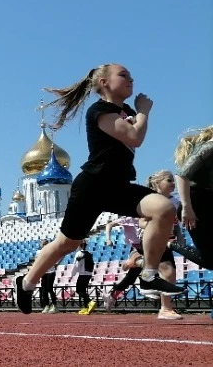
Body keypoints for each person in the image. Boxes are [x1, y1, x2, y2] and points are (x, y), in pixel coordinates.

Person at [15, 63, 183, 314]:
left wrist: (137, 113)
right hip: (92, 186)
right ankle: (26, 283)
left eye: (132, 76)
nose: (131, 79)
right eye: (123, 75)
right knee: (67, 244)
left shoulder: (125, 109)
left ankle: (148, 274)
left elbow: (134, 134)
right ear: (104, 83)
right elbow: (135, 137)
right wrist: (144, 112)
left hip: (118, 186)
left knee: (164, 208)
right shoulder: (100, 111)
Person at [103, 170, 182, 319]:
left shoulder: (175, 202)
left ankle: (138, 267)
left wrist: (179, 235)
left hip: (165, 240)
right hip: (149, 241)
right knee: (167, 271)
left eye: (173, 180)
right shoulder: (149, 201)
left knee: (162, 273)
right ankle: (163, 306)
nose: (173, 183)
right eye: (169, 180)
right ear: (157, 183)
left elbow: (175, 222)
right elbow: (140, 221)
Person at [172, 125, 213, 268]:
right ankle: (171, 243)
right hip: (197, 203)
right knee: (210, 260)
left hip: (209, 201)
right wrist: (187, 207)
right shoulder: (210, 146)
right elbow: (182, 175)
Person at [36, 239, 58, 314]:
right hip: (44, 272)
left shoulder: (51, 250)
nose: (42, 244)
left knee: (49, 288)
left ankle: (54, 306)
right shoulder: (38, 252)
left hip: (51, 272)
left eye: (43, 243)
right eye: (42, 243)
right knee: (44, 290)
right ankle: (47, 305)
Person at [73, 242, 95, 315]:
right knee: (83, 291)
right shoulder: (89, 253)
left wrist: (72, 274)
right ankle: (85, 307)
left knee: (78, 290)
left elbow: (76, 265)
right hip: (89, 274)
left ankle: (90, 302)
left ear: (79, 246)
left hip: (82, 274)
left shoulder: (79, 253)